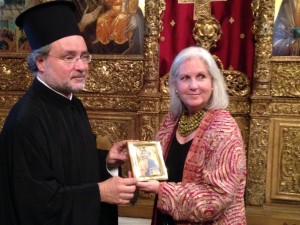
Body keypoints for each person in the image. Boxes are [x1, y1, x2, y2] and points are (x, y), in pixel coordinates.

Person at [0, 1, 137, 225]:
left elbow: (73, 167)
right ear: (41, 62)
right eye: (69, 57)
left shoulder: (73, 104)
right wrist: (99, 193)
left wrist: (107, 163)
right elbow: (34, 205)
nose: (82, 66)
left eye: (84, 56)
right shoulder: (26, 122)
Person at [137, 46, 247, 224]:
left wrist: (161, 190)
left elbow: (215, 198)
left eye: (201, 77)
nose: (193, 85)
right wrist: (135, 161)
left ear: (213, 83)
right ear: (175, 86)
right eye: (185, 78)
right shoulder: (172, 120)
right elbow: (155, 167)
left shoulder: (224, 127)